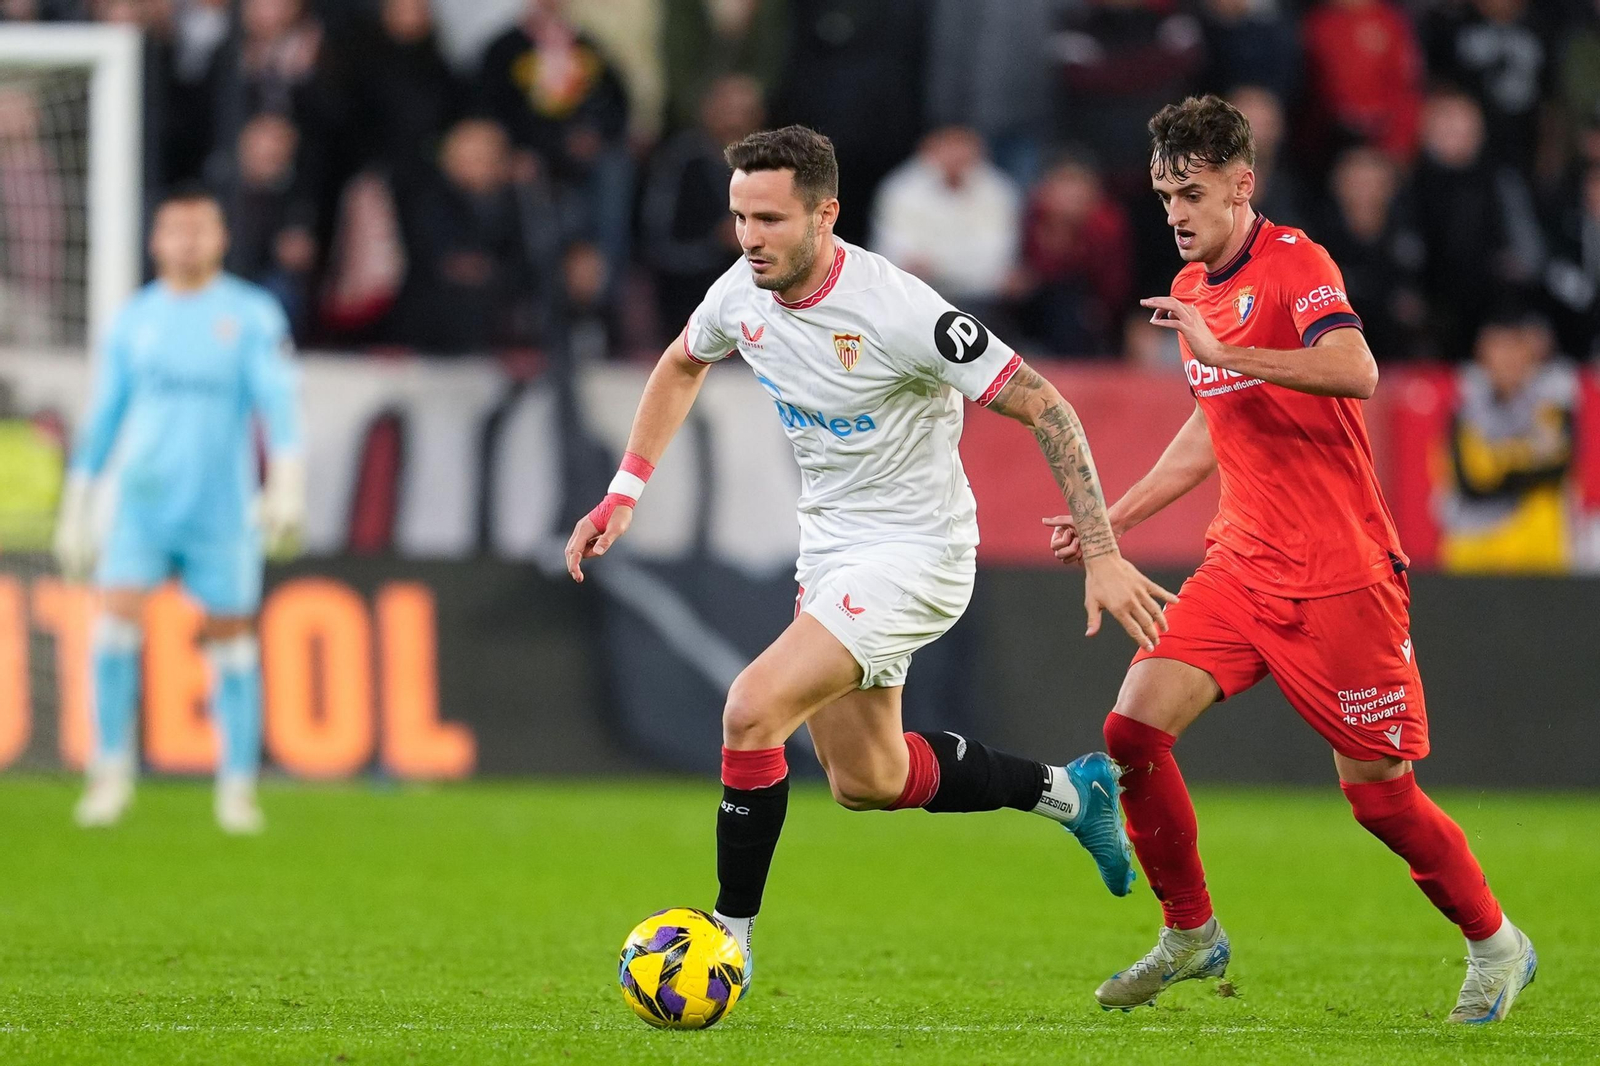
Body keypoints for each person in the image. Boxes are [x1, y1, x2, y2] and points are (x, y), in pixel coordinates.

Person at [565, 125, 1177, 978]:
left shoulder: (900, 309)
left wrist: (1105, 551)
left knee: (750, 709)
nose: (749, 238)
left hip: (918, 555)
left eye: (771, 220)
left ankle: (726, 940)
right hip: (832, 554)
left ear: (827, 215)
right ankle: (1072, 793)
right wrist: (623, 492)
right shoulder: (741, 291)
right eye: (740, 217)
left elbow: (1047, 406)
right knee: (869, 778)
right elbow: (679, 363)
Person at [1046, 96, 1535, 1023]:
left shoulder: (1296, 263)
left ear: (1243, 183)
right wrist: (1110, 519)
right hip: (1241, 567)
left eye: (1192, 193)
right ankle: (1191, 933)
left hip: (1343, 577)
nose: (1177, 214)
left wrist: (1229, 346)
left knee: (1380, 800)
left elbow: (1357, 370)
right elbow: (1210, 427)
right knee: (1133, 733)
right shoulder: (1192, 291)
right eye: (1162, 197)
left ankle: (1497, 943)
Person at [53, 185, 303, 834]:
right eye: (175, 229)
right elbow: (106, 412)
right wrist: (78, 498)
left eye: (201, 229)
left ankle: (237, 789)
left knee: (232, 644)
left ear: (220, 237)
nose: (188, 240)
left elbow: (277, 404)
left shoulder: (252, 314)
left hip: (221, 507)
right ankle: (109, 775)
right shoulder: (134, 319)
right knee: (114, 627)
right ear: (155, 240)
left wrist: (287, 481)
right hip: (143, 501)